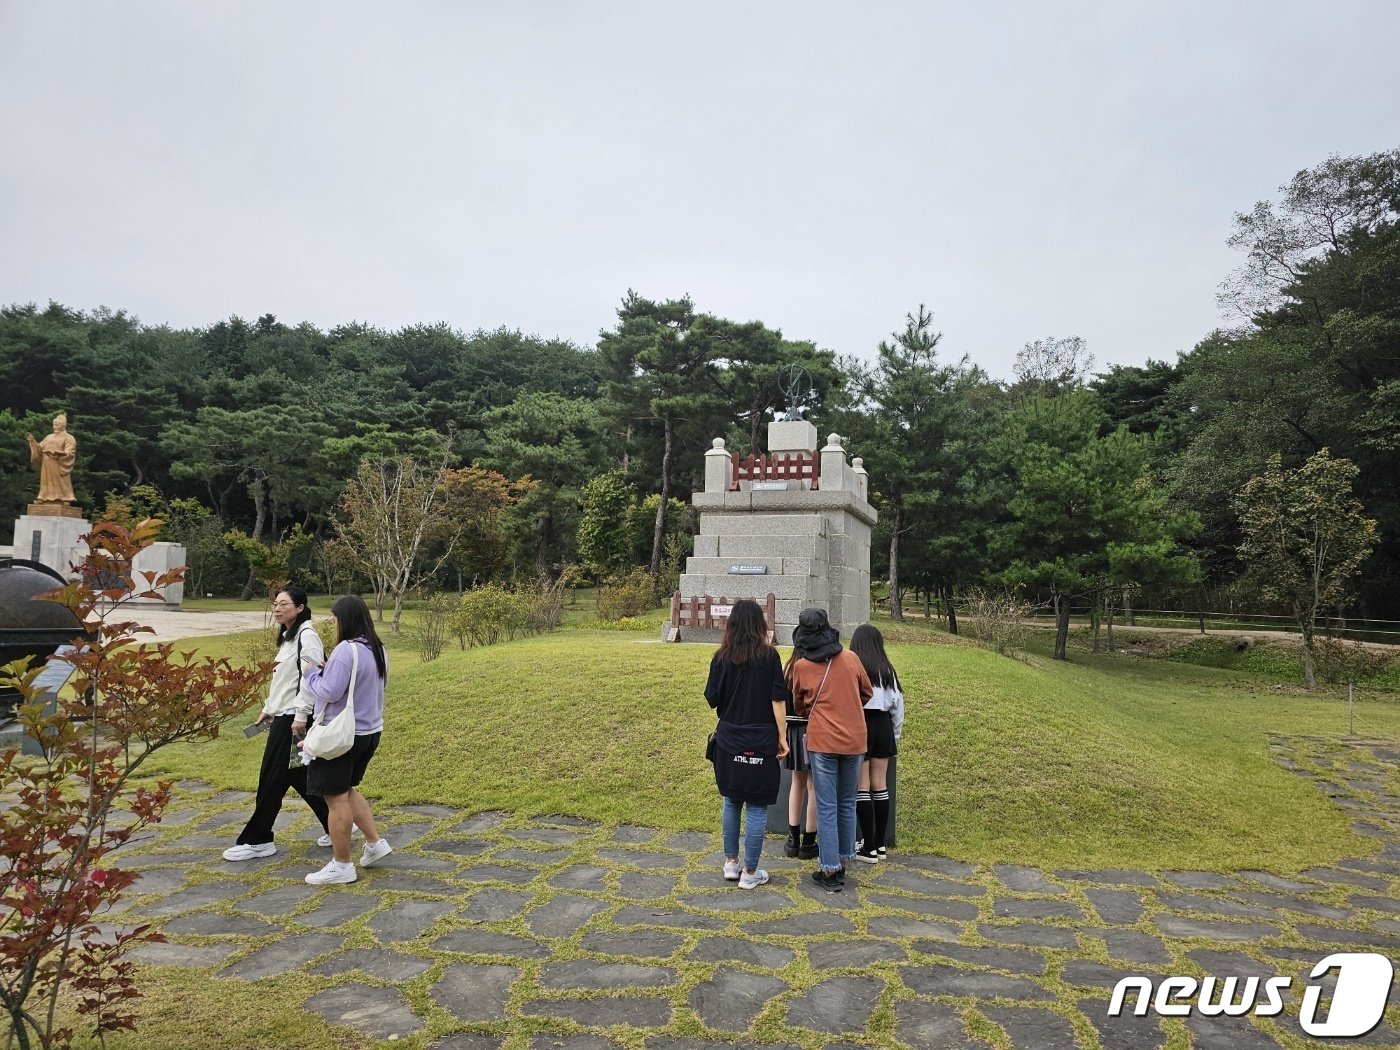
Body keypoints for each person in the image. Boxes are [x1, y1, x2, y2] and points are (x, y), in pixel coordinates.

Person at [222, 586, 331, 861]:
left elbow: (311, 678)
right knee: (296, 774)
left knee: (272, 776)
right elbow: (283, 682)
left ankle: (259, 839)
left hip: (294, 720)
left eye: (284, 604)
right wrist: (268, 710)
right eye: (275, 604)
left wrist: (300, 716)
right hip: (283, 716)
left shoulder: (308, 637)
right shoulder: (287, 638)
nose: (277, 608)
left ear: (300, 608)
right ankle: (337, 823)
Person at [300, 595, 392, 885]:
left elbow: (328, 691)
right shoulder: (378, 648)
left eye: (335, 618)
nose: (334, 623)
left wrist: (311, 674)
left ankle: (342, 864)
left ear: (345, 620)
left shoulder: (345, 650)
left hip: (341, 736)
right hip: (370, 731)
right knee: (347, 790)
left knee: (335, 798)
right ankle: (375, 843)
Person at [705, 599, 789, 890]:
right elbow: (778, 700)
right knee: (756, 805)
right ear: (759, 624)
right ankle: (750, 871)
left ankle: (731, 863)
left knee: (731, 800)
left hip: (729, 739)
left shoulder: (721, 658)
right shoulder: (769, 657)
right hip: (761, 739)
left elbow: (711, 698)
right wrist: (782, 736)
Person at [787, 608, 871, 892]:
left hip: (823, 740)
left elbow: (798, 705)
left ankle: (829, 868)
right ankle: (844, 859)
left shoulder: (801, 667)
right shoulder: (851, 659)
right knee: (847, 801)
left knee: (826, 805)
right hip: (856, 739)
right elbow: (867, 692)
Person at [850, 623, 904, 863]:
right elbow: (897, 705)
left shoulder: (853, 667)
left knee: (862, 786)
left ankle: (868, 846)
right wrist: (895, 735)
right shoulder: (887, 669)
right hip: (883, 725)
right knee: (879, 785)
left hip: (859, 725)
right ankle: (880, 844)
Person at [783, 693, 819, 860]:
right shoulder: (815, 669)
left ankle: (793, 840)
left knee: (797, 783)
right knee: (814, 786)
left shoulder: (788, 670)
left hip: (792, 729)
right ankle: (809, 842)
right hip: (815, 727)